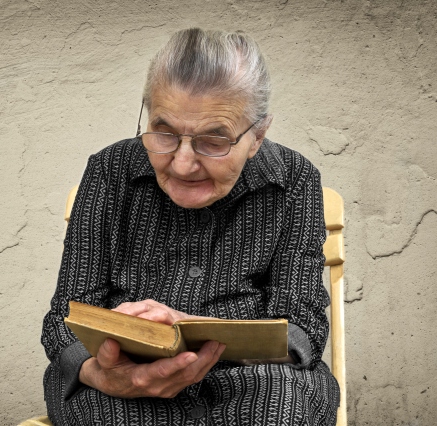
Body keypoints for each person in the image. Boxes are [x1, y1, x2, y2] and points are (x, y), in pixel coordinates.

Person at [42, 28, 340, 425]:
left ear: (257, 136)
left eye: (214, 141)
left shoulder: (294, 179)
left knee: (281, 396)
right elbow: (66, 315)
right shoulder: (110, 170)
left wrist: (193, 330)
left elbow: (301, 329)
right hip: (122, 384)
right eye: (164, 132)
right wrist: (102, 373)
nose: (182, 163)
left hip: (255, 380)